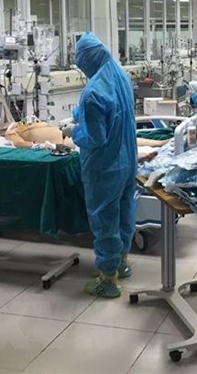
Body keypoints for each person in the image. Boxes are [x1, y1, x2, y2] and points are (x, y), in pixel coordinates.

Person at [62, 32, 137, 299]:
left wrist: (73, 131)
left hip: (105, 166)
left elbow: (95, 138)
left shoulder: (93, 91)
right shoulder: (121, 77)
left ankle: (107, 279)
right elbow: (114, 114)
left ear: (87, 59)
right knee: (125, 211)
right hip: (127, 160)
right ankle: (122, 262)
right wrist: (81, 115)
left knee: (105, 218)